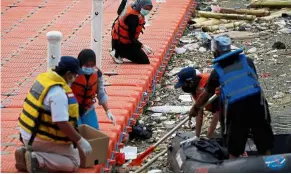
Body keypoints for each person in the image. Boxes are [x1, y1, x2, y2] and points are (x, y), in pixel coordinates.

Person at [189, 36, 274, 159]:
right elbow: (251, 80)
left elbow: (205, 95)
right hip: (258, 104)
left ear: (216, 52)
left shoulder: (217, 72)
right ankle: (270, 166)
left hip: (236, 109)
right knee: (264, 143)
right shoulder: (248, 61)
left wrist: (195, 108)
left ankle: (233, 166)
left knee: (234, 148)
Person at [15, 56, 92, 172]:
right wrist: (80, 140)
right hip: (38, 137)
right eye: (75, 75)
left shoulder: (44, 79)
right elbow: (61, 123)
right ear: (68, 74)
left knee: (71, 150)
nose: (76, 78)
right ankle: (36, 159)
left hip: (26, 133)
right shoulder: (58, 93)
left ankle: (26, 152)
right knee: (75, 161)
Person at [71, 49, 116, 129]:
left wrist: (108, 111)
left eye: (92, 65)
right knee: (77, 131)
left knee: (94, 131)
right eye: (87, 65)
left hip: (87, 108)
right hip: (72, 109)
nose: (89, 68)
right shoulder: (72, 74)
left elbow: (101, 94)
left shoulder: (97, 74)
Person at [174, 67, 220, 141]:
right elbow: (199, 110)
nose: (183, 87)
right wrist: (197, 136)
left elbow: (217, 112)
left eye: (183, 84)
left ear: (190, 81)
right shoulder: (193, 87)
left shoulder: (209, 83)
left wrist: (208, 137)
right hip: (214, 106)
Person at [111, 0, 153, 64]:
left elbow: (119, 11)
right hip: (122, 44)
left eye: (150, 9)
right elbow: (131, 38)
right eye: (146, 8)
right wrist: (142, 46)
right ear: (141, 6)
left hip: (116, 41)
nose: (147, 11)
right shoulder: (133, 18)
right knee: (144, 61)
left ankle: (117, 50)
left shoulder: (132, 7)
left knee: (140, 56)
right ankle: (117, 53)